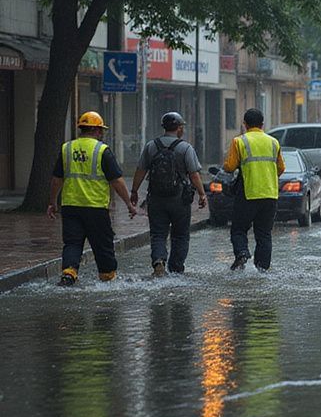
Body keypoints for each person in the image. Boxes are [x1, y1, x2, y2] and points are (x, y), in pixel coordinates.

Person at [47, 111, 137, 285]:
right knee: (102, 245)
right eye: (101, 130)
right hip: (95, 207)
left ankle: (69, 272)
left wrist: (52, 202)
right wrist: (129, 204)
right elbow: (117, 181)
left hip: (71, 206)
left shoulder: (67, 148)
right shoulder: (102, 150)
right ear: (97, 130)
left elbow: (56, 179)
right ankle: (107, 277)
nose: (102, 134)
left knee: (72, 243)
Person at [130, 111, 207, 277]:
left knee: (158, 233)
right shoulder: (185, 148)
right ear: (179, 128)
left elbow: (140, 170)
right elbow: (194, 174)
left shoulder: (151, 146)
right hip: (179, 199)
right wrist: (202, 194)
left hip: (156, 198)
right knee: (180, 235)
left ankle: (158, 260)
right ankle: (176, 269)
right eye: (182, 127)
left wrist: (134, 191)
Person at [222, 107, 284, 271]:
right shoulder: (273, 142)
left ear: (245, 124)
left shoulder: (239, 141)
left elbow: (229, 166)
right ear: (262, 124)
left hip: (248, 194)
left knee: (239, 229)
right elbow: (281, 168)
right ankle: (262, 269)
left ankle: (242, 253)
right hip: (270, 194)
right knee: (264, 234)